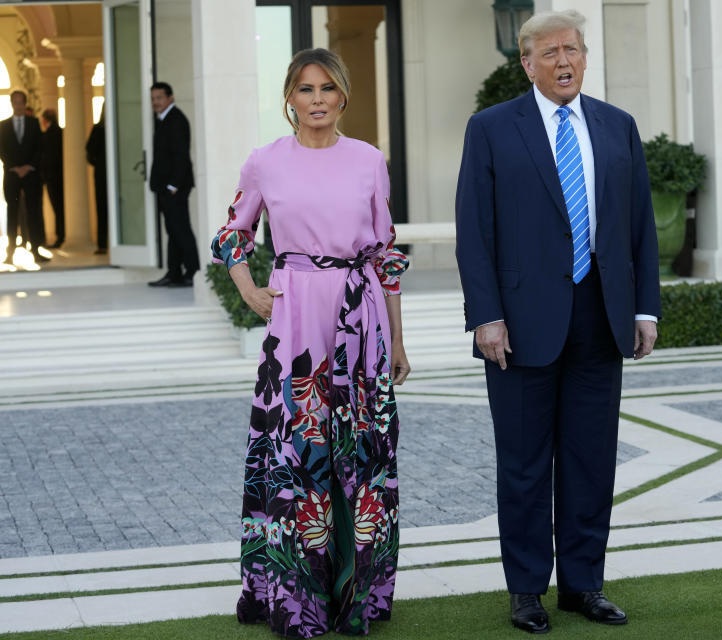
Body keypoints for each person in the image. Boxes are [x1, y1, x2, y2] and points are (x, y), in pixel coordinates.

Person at [455, 10, 661, 634]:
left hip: (602, 319)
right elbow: (474, 230)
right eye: (549, 53)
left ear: (585, 56)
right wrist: (485, 316)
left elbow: (640, 225)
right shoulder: (492, 128)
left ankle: (582, 584)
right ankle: (525, 592)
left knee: (590, 459)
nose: (564, 61)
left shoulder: (617, 126)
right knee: (523, 464)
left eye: (572, 50)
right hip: (518, 327)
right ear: (526, 62)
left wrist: (644, 306)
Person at [211, 48, 411, 637]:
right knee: (297, 454)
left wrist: (398, 339)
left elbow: (385, 253)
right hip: (296, 318)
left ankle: (358, 595)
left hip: (360, 315)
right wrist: (249, 290)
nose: (317, 99)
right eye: (304, 89)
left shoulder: (369, 161)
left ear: (343, 95)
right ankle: (296, 595)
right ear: (289, 99)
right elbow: (232, 233)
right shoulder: (265, 162)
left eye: (327, 88)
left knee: (361, 456)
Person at [148, 81, 199, 286]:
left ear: (170, 98)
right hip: (167, 187)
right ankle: (174, 272)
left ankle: (193, 272)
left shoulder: (176, 120)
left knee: (181, 229)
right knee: (173, 229)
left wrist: (173, 186)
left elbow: (181, 156)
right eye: (153, 99)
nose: (155, 102)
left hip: (174, 188)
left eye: (159, 98)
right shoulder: (163, 119)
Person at [0, 90, 47, 263]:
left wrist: (28, 167)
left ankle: (35, 250)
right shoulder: (3, 126)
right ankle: (10, 253)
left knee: (33, 212)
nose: (18, 106)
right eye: (15, 102)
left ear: (25, 104)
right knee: (12, 213)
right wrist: (14, 167)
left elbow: (39, 148)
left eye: (21, 102)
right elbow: (2, 150)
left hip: (31, 175)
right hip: (12, 175)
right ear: (12, 104)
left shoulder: (34, 123)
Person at [40, 108, 65, 250]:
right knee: (59, 208)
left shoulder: (48, 135)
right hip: (58, 176)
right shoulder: (60, 132)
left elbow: (47, 157)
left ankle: (60, 236)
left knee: (58, 207)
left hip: (52, 177)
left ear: (45, 120)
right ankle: (60, 235)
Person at [85, 115, 108, 254]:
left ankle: (103, 244)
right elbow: (89, 152)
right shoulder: (98, 129)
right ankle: (102, 244)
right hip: (102, 175)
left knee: (104, 208)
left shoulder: (100, 128)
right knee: (102, 208)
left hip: (105, 175)